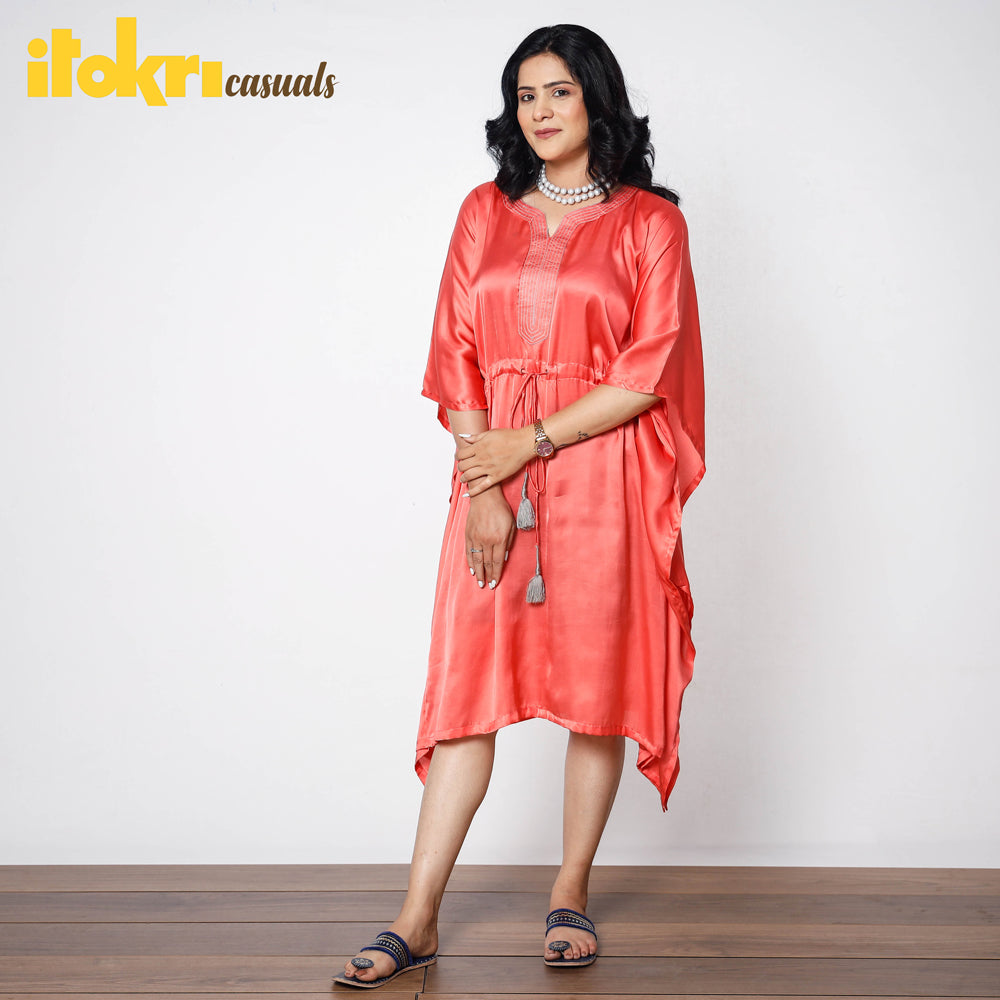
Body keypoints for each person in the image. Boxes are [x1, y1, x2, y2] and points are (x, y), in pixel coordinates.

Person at [334, 23, 704, 989]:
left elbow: (648, 370)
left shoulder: (651, 224)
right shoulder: (483, 212)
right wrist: (486, 484)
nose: (539, 111)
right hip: (490, 475)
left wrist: (531, 441)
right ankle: (417, 917)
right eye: (525, 95)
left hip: (604, 480)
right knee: (467, 694)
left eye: (559, 92)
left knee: (596, 693)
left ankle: (569, 890)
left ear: (597, 99)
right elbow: (454, 352)